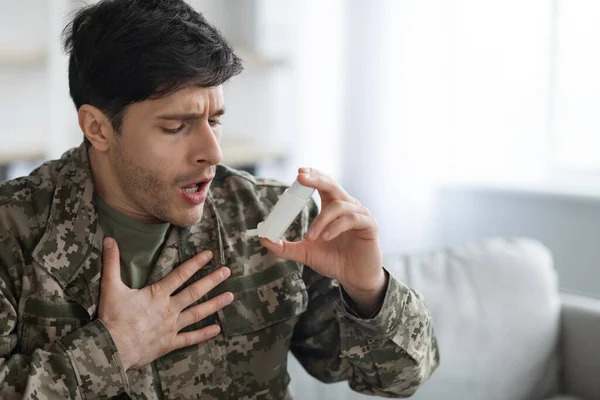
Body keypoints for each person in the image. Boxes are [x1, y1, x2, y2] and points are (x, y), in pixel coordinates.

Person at [0, 0, 439, 398]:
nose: (212, 152)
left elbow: (397, 379)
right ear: (97, 128)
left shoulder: (271, 219)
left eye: (216, 120)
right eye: (177, 126)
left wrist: (369, 291)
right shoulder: (11, 231)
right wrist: (110, 350)